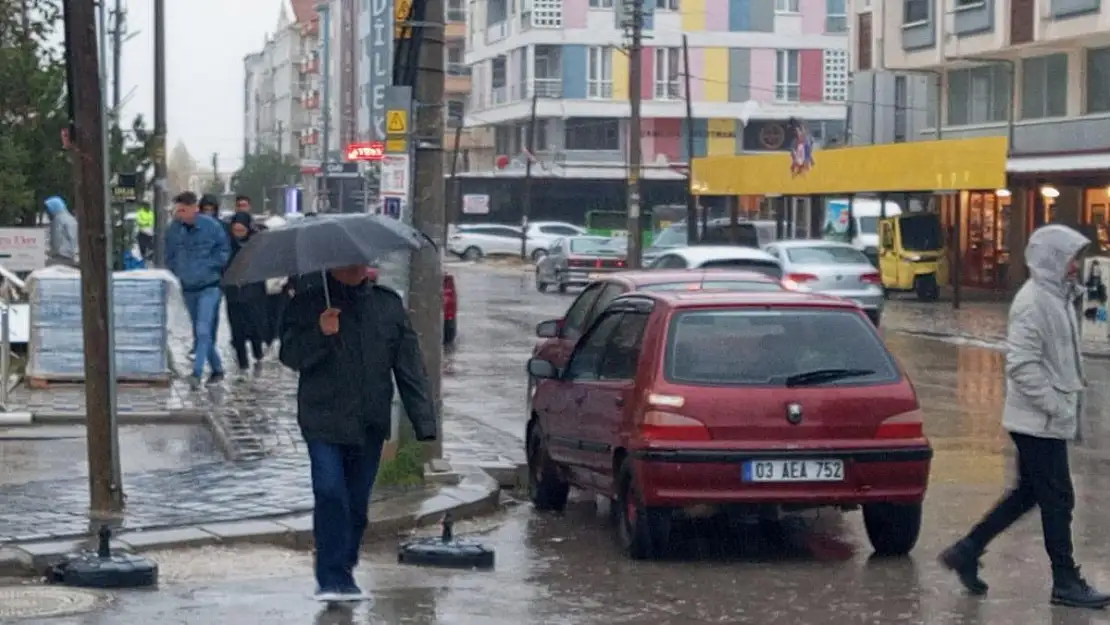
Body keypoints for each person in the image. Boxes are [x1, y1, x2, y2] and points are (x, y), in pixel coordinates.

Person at [940, 224, 1110, 609]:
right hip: (1037, 422)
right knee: (1058, 498)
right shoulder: (1033, 302)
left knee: (1029, 494)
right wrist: (1055, 405)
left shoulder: (1057, 297)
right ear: (1052, 260)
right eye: (1070, 260)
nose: (1075, 267)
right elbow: (1022, 365)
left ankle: (967, 550)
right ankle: (1065, 582)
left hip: (1044, 420)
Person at [279, 265, 436, 602]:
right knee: (329, 491)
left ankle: (344, 566)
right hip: (322, 419)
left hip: (369, 421)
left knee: (357, 505)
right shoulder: (308, 303)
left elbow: (408, 366)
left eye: (359, 260)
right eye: (345, 260)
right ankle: (331, 577)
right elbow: (289, 356)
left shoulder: (387, 305)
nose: (353, 266)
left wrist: (424, 421)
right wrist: (321, 332)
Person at [165, 191, 230, 389]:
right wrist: (179, 271)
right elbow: (169, 254)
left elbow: (224, 251)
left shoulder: (212, 227)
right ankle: (217, 369)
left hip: (209, 286)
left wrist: (209, 266)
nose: (179, 214)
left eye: (183, 210)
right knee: (200, 332)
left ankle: (197, 372)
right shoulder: (174, 230)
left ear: (194, 208)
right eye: (177, 210)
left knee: (203, 330)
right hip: (188, 288)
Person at [223, 212, 268, 373]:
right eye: (236, 230)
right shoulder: (227, 244)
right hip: (233, 292)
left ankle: (257, 353)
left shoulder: (257, 243)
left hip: (253, 292)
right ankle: (242, 363)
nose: (239, 233)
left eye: (242, 230)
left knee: (255, 325)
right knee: (237, 330)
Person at [43, 196, 78, 266]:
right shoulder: (70, 218)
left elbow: (56, 239)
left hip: (61, 256)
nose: (47, 212)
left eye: (48, 209)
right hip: (71, 255)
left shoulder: (58, 220)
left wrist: (50, 252)